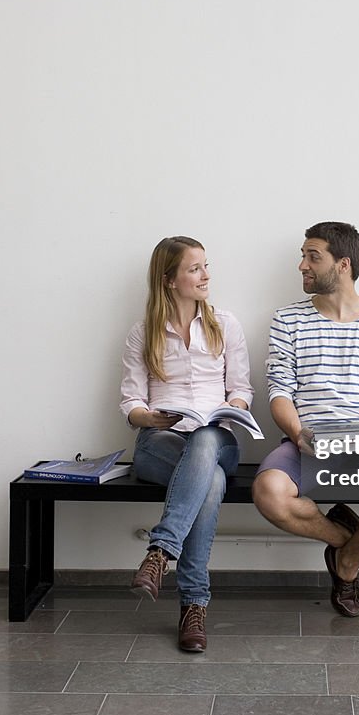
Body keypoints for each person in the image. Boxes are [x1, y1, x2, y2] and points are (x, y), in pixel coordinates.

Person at [252, 221, 359, 617]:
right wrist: (297, 433)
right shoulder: (287, 321)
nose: (302, 265)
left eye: (313, 256)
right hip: (307, 441)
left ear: (343, 264)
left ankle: (346, 564)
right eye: (303, 255)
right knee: (269, 493)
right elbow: (278, 392)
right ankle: (349, 536)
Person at [120, 236, 253, 651]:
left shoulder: (225, 324)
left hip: (218, 439)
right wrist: (150, 417)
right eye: (194, 269)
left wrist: (232, 405)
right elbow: (130, 401)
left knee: (207, 440)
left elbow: (242, 389)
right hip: (160, 443)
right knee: (209, 481)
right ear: (169, 279)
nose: (205, 275)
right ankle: (193, 606)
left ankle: (160, 551)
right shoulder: (143, 332)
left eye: (205, 266)